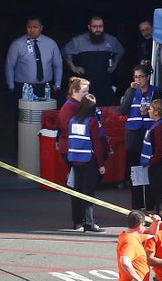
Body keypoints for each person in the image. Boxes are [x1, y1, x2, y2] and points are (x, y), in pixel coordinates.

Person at [120, 61, 162, 211]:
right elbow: (122, 111)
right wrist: (130, 92)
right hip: (134, 136)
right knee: (135, 172)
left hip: (151, 135)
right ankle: (137, 206)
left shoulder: (157, 91)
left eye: (141, 77)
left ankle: (150, 205)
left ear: (148, 77)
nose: (138, 80)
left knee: (151, 170)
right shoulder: (130, 91)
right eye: (135, 77)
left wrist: (150, 109)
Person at [62, 14, 125, 106]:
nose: (98, 29)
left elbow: (120, 51)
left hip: (105, 83)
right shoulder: (78, 41)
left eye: (100, 26)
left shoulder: (111, 40)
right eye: (95, 26)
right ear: (89, 27)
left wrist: (115, 64)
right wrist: (73, 67)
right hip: (86, 84)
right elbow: (65, 51)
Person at [67, 93, 106, 232]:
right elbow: (97, 145)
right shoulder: (92, 122)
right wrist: (101, 164)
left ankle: (77, 222)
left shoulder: (73, 120)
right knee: (88, 192)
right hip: (89, 161)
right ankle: (89, 223)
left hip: (75, 160)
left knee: (76, 191)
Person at [57, 76, 90, 230]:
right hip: (72, 151)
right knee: (77, 185)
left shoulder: (76, 106)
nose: (87, 93)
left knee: (79, 184)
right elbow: (67, 129)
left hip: (75, 150)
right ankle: (79, 220)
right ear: (75, 91)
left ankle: (81, 219)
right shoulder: (69, 108)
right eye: (84, 91)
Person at [5, 14, 63, 101]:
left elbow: (57, 65)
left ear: (41, 27)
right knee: (24, 113)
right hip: (23, 87)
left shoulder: (51, 43)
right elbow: (10, 65)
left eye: (35, 27)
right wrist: (11, 85)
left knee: (44, 113)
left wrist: (57, 84)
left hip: (45, 87)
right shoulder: (17, 44)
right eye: (29, 27)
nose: (32, 30)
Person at [139, 98, 162, 213]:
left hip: (157, 164)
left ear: (156, 112)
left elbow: (159, 149)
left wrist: (151, 162)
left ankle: (161, 214)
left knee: (159, 191)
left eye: (150, 109)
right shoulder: (158, 124)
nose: (148, 111)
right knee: (156, 190)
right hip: (156, 163)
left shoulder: (159, 127)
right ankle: (158, 213)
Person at [117, 209, 161, 281]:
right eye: (144, 225)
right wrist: (138, 279)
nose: (145, 228)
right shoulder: (130, 242)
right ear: (140, 225)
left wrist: (156, 223)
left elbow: (152, 233)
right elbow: (124, 262)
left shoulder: (131, 235)